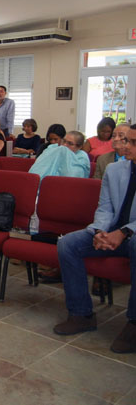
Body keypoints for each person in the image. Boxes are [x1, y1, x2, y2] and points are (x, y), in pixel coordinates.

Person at [52, 124, 136, 354]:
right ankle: (81, 314)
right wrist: (99, 231)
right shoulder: (115, 170)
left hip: (131, 236)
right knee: (68, 243)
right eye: (126, 140)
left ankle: (134, 324)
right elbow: (105, 207)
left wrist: (124, 232)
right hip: (111, 233)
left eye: (132, 142)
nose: (125, 146)